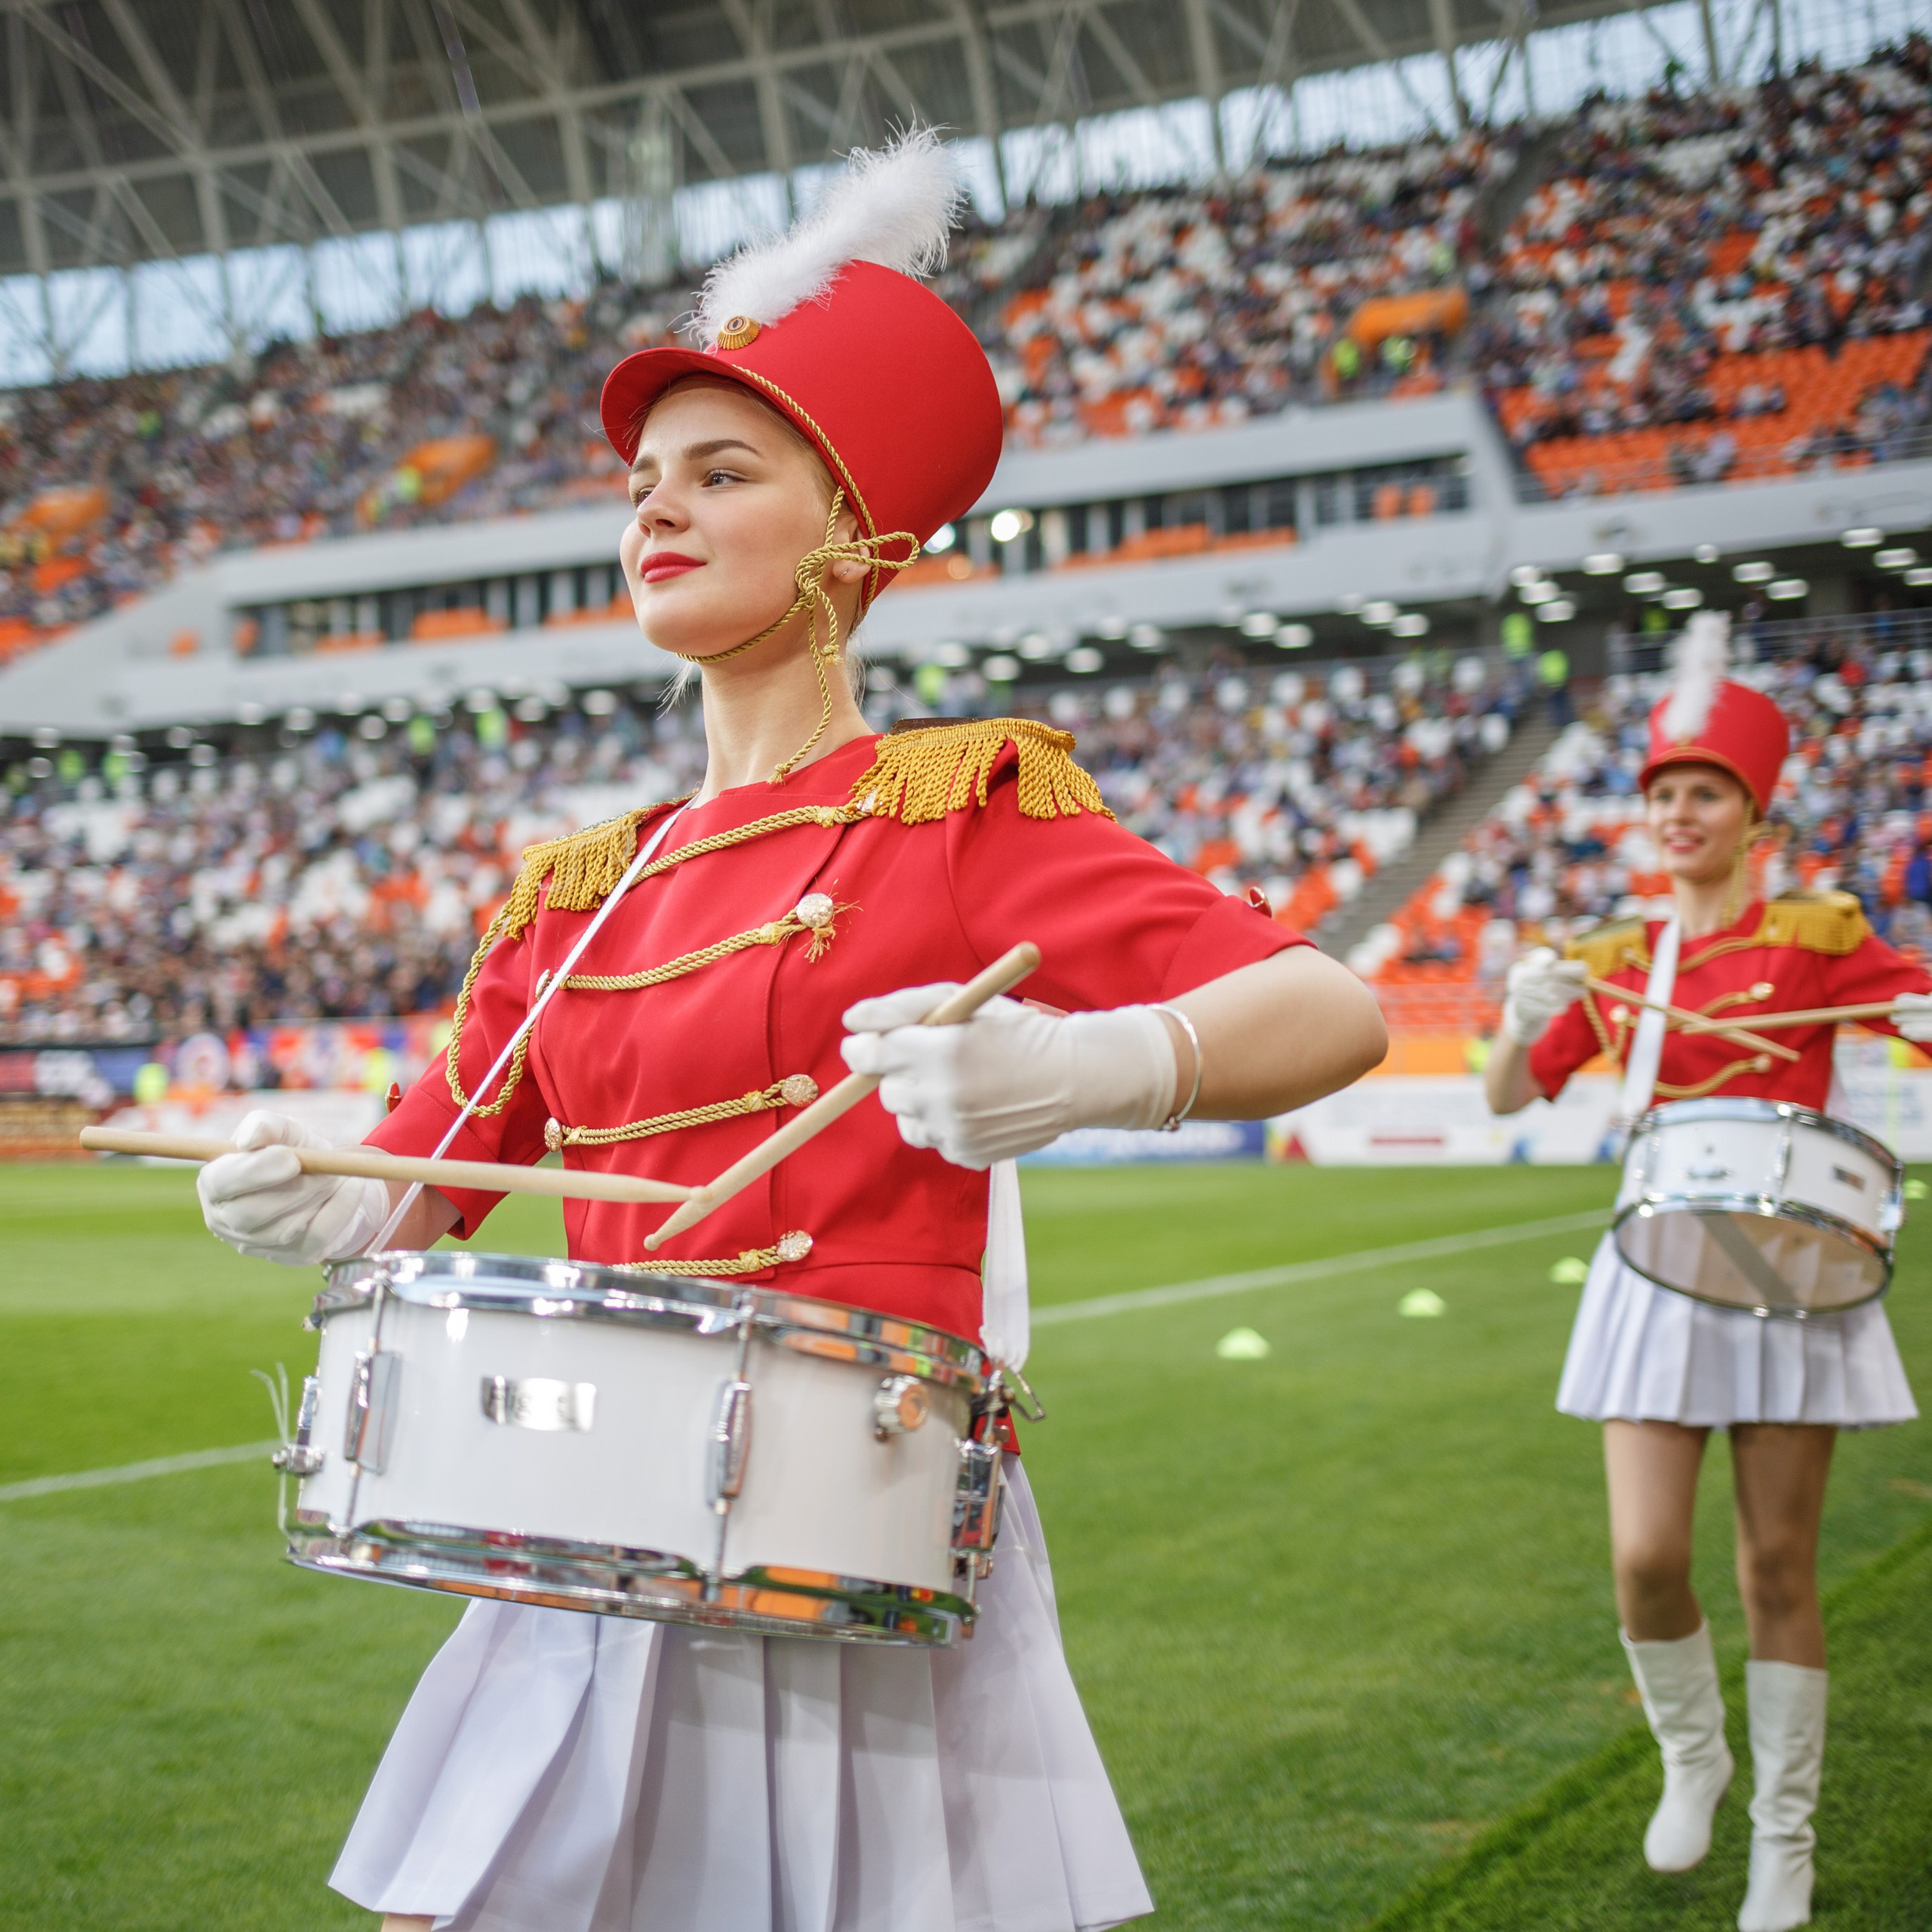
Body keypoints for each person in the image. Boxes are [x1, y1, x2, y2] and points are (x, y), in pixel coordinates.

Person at [195, 133, 1389, 1932]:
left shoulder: (954, 802)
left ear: (849, 531)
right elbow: (425, 1173)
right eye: (641, 482)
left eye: (720, 471)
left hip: (850, 1518)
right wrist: (320, 1194)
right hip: (577, 1518)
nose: (653, 512)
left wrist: (1086, 1067)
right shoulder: (574, 889)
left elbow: (1327, 1006)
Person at [1484, 614, 1930, 1932]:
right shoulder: (1620, 962)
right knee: (1644, 1558)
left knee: (1778, 1569)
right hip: (1656, 1259)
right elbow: (1509, 1093)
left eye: (1707, 794)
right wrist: (1514, 1023)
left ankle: (1785, 1841)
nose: (1680, 815)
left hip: (1795, 1258)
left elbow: (1915, 1016)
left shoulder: (1818, 935)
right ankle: (1696, 1758)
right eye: (1664, 795)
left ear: (1754, 816)